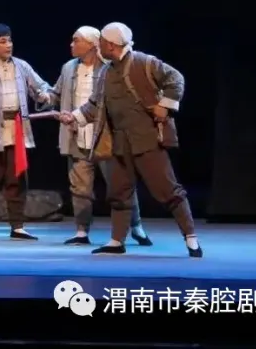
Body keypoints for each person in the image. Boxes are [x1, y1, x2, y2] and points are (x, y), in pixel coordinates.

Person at [59, 22, 201, 257]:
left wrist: (166, 106)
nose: (99, 46)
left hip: (147, 141)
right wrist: (73, 117)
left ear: (111, 45)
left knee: (168, 190)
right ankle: (117, 241)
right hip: (119, 143)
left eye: (101, 42)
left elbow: (175, 79)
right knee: (119, 192)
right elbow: (95, 104)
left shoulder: (144, 62)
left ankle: (191, 237)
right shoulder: (106, 71)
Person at [51, 26, 150, 246]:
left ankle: (136, 226)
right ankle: (81, 230)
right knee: (79, 187)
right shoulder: (68, 68)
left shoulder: (109, 68)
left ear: (92, 45)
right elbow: (56, 93)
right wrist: (43, 96)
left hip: (105, 137)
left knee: (120, 185)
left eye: (76, 40)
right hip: (77, 135)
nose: (71, 44)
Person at [0, 23, 54, 240]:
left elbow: (41, 86)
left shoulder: (21, 66)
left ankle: (17, 226)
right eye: (3, 41)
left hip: (17, 129)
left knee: (16, 179)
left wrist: (44, 95)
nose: (8, 45)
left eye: (9, 40)